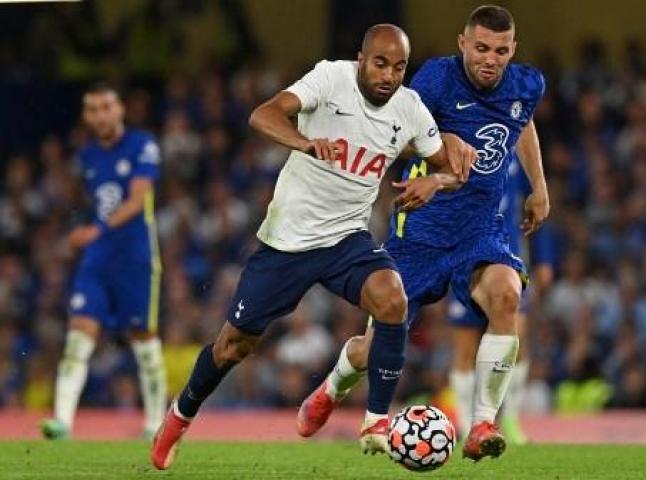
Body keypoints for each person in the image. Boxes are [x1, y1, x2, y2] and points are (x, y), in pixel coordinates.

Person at [150, 24, 476, 470]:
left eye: (399, 67)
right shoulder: (329, 79)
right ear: (361, 59)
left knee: (392, 298)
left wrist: (435, 181)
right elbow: (262, 115)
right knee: (232, 347)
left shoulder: (411, 110)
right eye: (380, 63)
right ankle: (179, 417)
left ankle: (375, 421)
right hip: (288, 243)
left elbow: (453, 167)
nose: (389, 75)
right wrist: (305, 143)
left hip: (347, 239)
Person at [298, 5, 549, 462]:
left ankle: (483, 423)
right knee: (373, 349)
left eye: (500, 51)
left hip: (478, 231)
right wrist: (436, 156)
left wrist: (539, 187)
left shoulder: (526, 84)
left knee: (506, 295)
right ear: (462, 44)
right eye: (480, 49)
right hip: (418, 235)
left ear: (513, 50)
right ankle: (333, 385)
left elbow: (522, 123)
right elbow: (398, 128)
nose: (489, 59)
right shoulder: (436, 79)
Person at [41, 84, 166, 440]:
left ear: (120, 109)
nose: (101, 114)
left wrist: (95, 230)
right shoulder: (87, 156)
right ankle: (62, 422)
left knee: (144, 340)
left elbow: (138, 199)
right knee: (79, 337)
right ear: (86, 117)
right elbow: (82, 199)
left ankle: (155, 423)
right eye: (93, 109)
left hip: (136, 258)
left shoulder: (143, 145)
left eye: (106, 107)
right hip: (97, 261)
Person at [448, 160, 557, 445]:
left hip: (507, 259)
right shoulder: (462, 145)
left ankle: (510, 418)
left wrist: (544, 258)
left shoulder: (519, 159)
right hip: (465, 259)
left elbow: (535, 203)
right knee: (465, 347)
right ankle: (464, 424)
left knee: (517, 340)